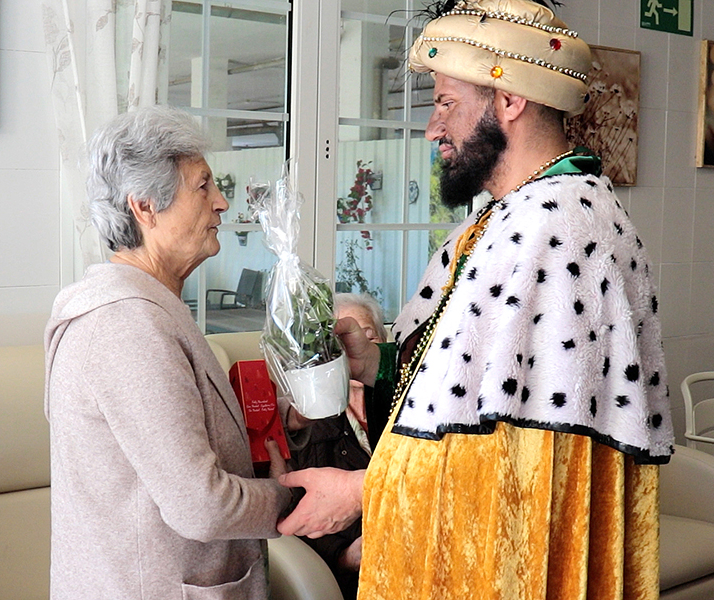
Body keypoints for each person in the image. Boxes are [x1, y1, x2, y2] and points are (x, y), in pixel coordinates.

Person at [277, 1, 675, 598]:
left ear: (509, 100)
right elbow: (470, 391)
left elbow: (525, 461)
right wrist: (376, 365)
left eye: (445, 103)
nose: (433, 128)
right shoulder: (509, 215)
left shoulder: (557, 226)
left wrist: (361, 491)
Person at [43, 106, 292, 600]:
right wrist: (292, 499)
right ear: (145, 208)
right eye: (203, 186)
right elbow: (202, 506)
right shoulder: (126, 328)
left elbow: (179, 429)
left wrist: (283, 417)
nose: (221, 202)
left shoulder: (142, 309)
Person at [292, 292, 387, 600]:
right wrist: (347, 556)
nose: (354, 350)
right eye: (339, 345)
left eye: (368, 337)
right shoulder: (307, 425)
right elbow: (300, 519)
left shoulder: (410, 409)